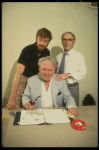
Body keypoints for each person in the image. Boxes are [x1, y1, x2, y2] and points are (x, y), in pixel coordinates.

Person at [5, 28, 52, 109]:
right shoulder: (27, 50)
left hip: (37, 80)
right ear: (36, 38)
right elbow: (18, 73)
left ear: (48, 43)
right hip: (24, 79)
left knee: (33, 106)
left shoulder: (47, 52)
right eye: (40, 40)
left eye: (45, 41)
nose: (42, 43)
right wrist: (12, 98)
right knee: (15, 105)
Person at [55, 32, 87, 106]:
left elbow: (83, 73)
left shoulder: (79, 56)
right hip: (59, 88)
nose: (66, 42)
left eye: (69, 40)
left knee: (72, 110)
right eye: (64, 39)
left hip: (72, 88)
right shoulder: (59, 56)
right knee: (59, 109)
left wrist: (68, 75)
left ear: (73, 42)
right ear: (62, 41)